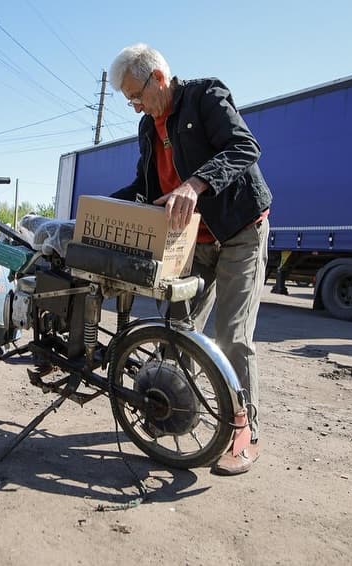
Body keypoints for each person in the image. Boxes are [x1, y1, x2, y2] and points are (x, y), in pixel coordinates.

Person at [108, 44, 272, 475]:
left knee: (231, 336)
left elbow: (244, 148)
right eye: (129, 100)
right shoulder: (148, 127)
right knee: (175, 327)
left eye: (135, 96)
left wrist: (195, 185)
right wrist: (96, 209)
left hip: (240, 231)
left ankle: (243, 431)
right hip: (192, 242)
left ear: (158, 78)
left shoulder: (206, 95)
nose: (135, 106)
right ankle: (174, 410)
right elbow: (144, 186)